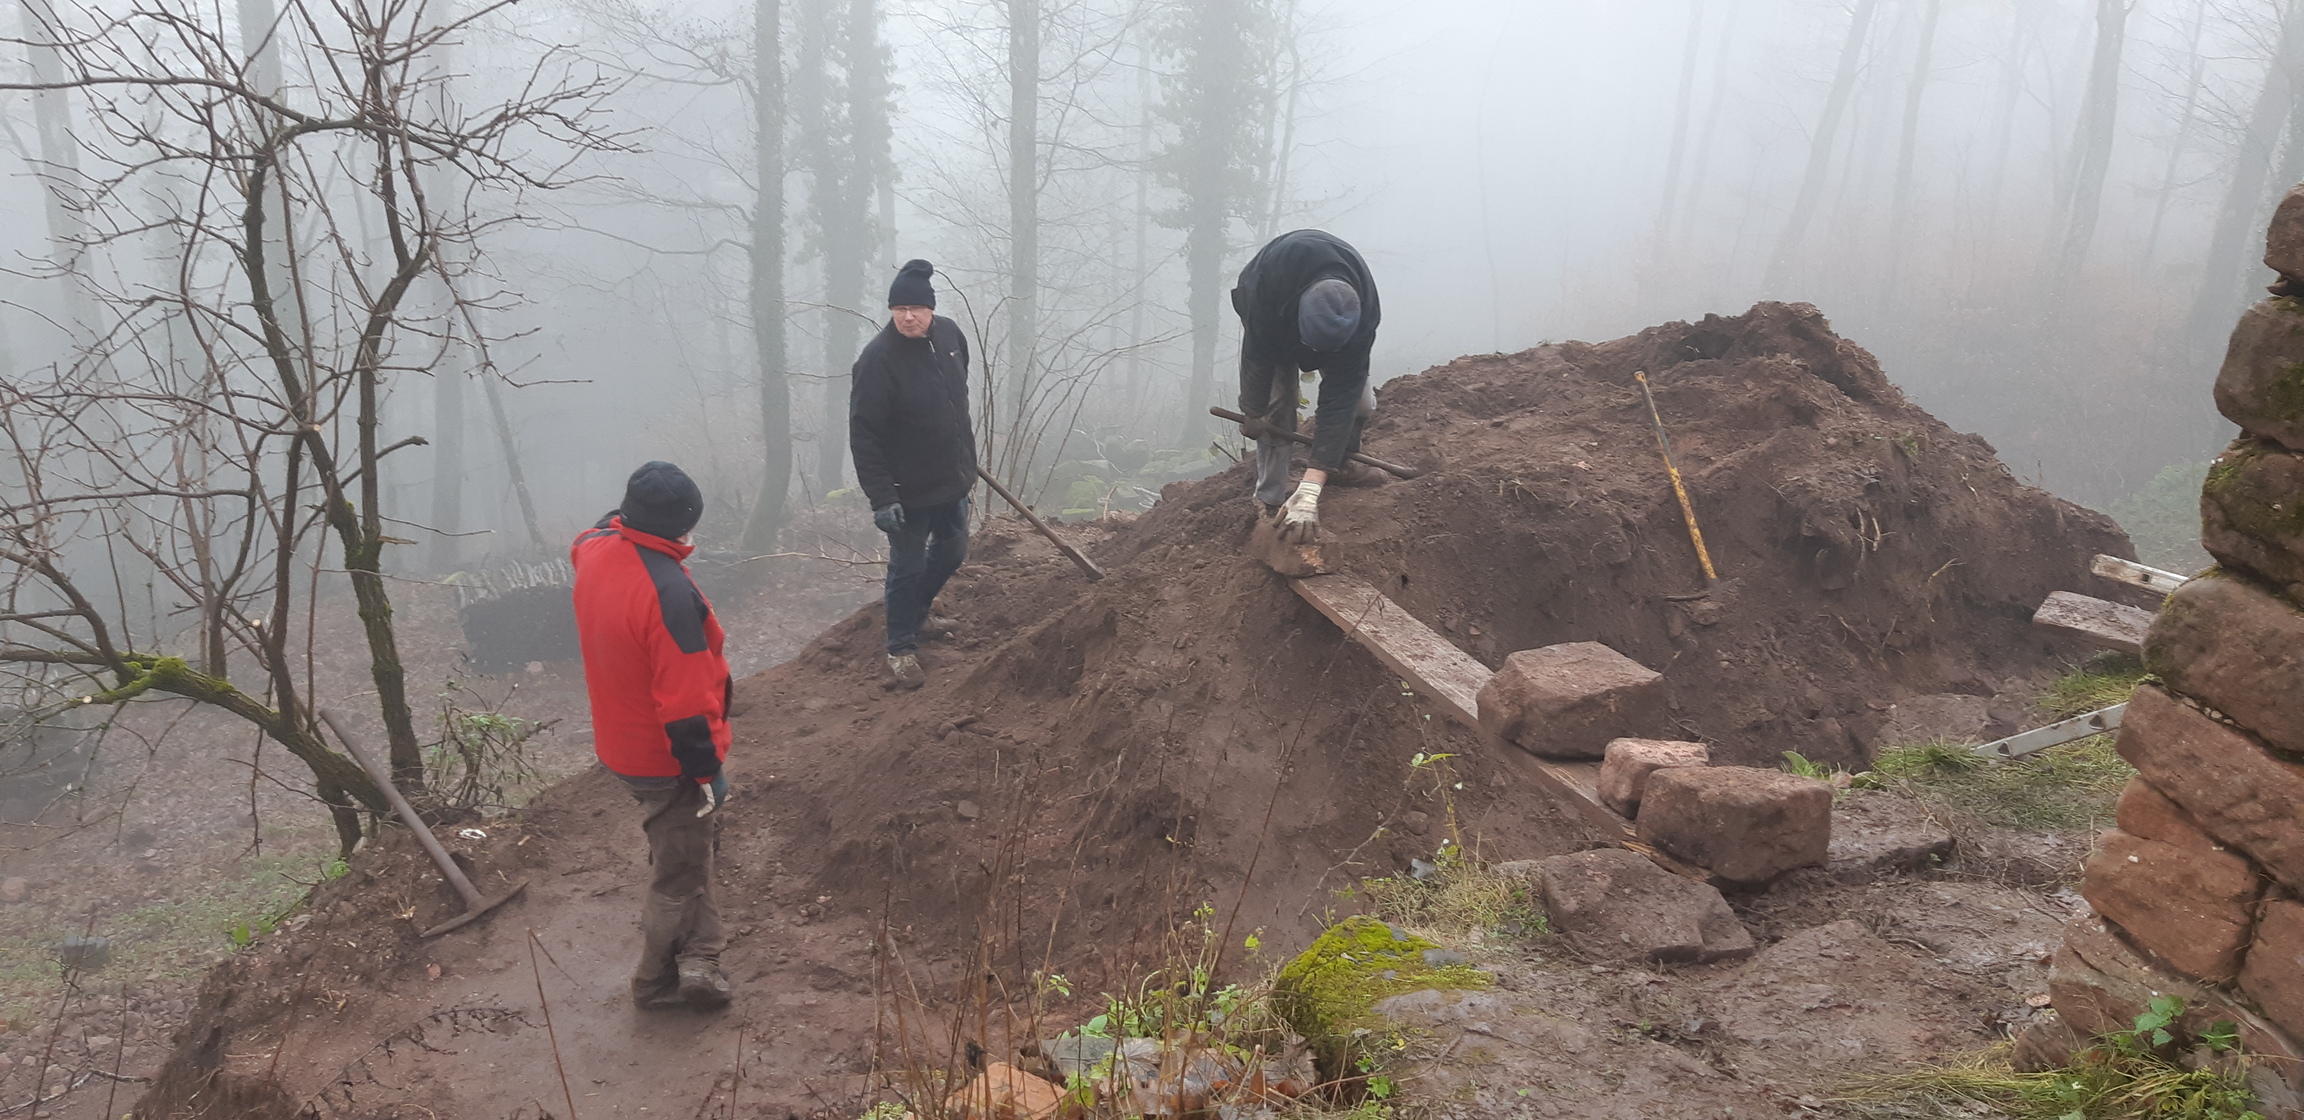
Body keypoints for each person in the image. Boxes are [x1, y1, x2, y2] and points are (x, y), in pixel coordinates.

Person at [570, 461, 735, 1010]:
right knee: (678, 870)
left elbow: (594, 529)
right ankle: (656, 981)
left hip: (619, 738)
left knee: (688, 847)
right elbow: (686, 706)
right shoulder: (669, 595)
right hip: (664, 757)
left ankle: (702, 957)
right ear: (684, 525)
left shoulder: (594, 549)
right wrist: (707, 771)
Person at [851, 258, 977, 691]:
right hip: (907, 491)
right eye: (899, 309)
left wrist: (964, 459)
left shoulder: (950, 336)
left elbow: (957, 398)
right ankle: (900, 647)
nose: (907, 317)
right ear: (891, 310)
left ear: (930, 309)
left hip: (952, 478)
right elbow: (864, 434)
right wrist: (882, 497)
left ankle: (918, 615)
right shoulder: (877, 360)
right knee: (907, 567)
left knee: (953, 551)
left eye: (916, 309)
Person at [1230, 229, 1383, 541]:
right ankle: (1269, 499)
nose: (1313, 358)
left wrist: (1311, 488)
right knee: (1278, 405)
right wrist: (1253, 410)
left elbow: (1341, 397)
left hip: (1321, 325)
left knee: (1361, 403)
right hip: (1270, 307)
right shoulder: (1268, 290)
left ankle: (1338, 464)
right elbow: (1257, 356)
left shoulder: (1364, 316)